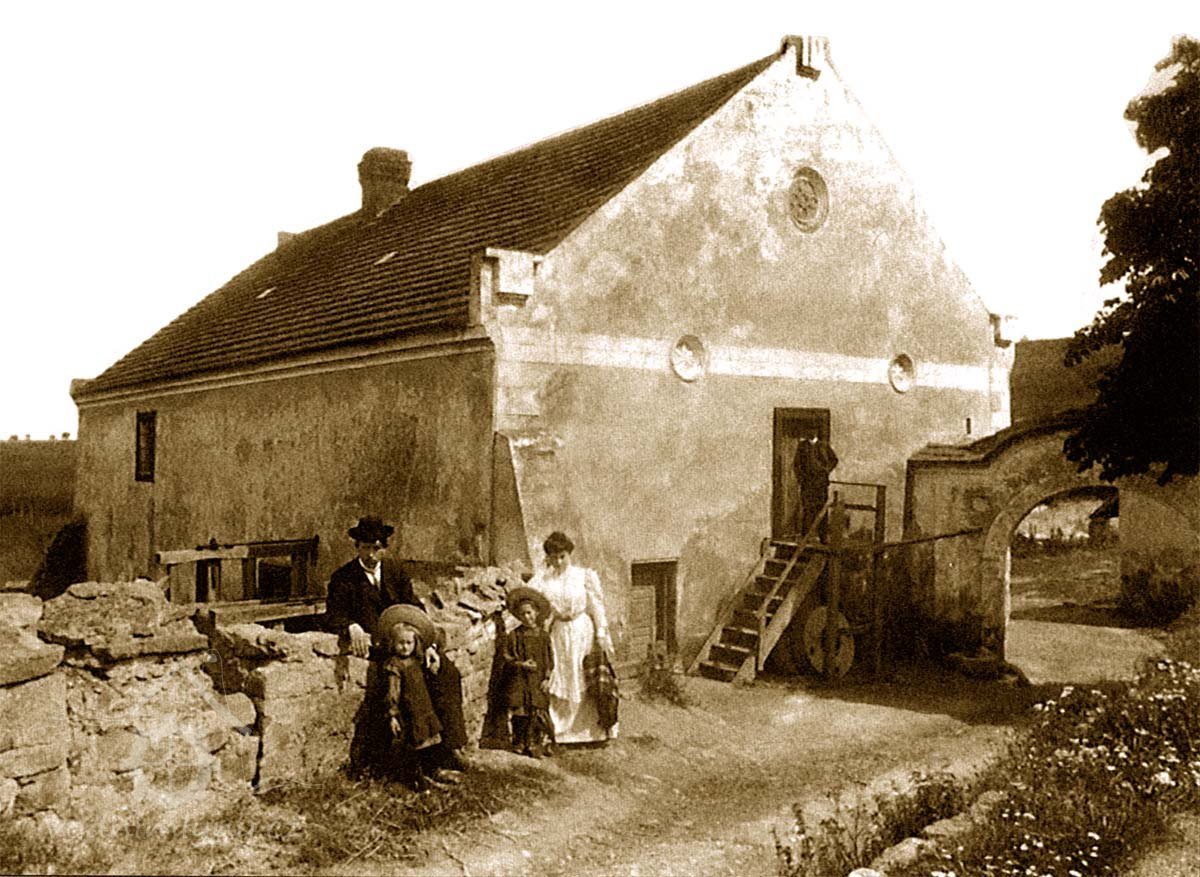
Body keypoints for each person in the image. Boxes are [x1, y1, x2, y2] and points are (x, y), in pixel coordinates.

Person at [325, 516, 469, 777]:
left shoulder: (396, 571)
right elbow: (333, 613)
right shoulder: (343, 578)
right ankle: (423, 762)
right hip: (380, 650)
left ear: (384, 548)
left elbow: (415, 607)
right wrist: (350, 625)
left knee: (447, 673)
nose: (371, 554)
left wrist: (427, 645)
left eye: (376, 548)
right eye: (365, 547)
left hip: (409, 643)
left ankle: (451, 746)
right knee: (412, 681)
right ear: (357, 547)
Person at [528, 531, 618, 745]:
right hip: (559, 631)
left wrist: (601, 633)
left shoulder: (583, 576)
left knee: (584, 674)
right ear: (548, 558)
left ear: (569, 554)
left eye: (563, 556)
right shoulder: (544, 580)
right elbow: (529, 595)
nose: (559, 562)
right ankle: (561, 731)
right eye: (554, 557)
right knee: (561, 674)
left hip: (581, 630)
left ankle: (591, 731)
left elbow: (596, 607)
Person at [377, 606, 443, 791]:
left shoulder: (416, 661)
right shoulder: (394, 666)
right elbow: (393, 692)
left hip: (423, 709)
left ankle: (431, 772)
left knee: (429, 742)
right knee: (413, 747)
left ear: (416, 643)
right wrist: (393, 715)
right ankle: (417, 780)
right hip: (409, 712)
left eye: (409, 643)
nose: (405, 647)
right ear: (393, 643)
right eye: (400, 643)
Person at [502, 586, 555, 758]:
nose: (527, 617)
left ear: (537, 613)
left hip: (537, 680)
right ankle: (519, 742)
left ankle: (534, 743)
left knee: (537, 710)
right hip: (519, 679)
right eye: (522, 614)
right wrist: (521, 664)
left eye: (529, 613)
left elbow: (549, 660)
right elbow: (507, 658)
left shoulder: (543, 636)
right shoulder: (514, 636)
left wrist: (546, 678)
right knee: (520, 711)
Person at [791, 435, 839, 539]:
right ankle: (805, 536)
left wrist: (826, 470)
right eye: (808, 431)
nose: (810, 433)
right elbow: (796, 464)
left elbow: (834, 460)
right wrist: (801, 478)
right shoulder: (802, 446)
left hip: (821, 483)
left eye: (813, 430)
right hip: (807, 484)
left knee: (822, 508)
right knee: (807, 508)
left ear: (816, 432)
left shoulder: (823, 445)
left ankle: (823, 536)